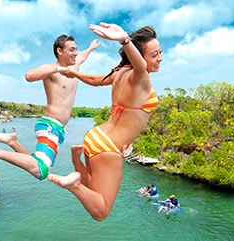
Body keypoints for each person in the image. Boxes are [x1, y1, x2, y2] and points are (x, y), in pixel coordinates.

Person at [48, 22, 163, 221]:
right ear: (139, 56)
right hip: (109, 147)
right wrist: (124, 39)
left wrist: (75, 73)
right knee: (101, 212)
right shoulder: (139, 76)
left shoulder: (120, 72)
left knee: (94, 191)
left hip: (96, 136)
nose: (160, 58)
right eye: (154, 55)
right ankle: (74, 185)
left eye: (160, 52)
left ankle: (77, 163)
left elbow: (94, 79)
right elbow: (141, 67)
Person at [0, 35, 101, 181]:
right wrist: (57, 69)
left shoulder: (75, 67)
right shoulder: (51, 69)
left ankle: (12, 141)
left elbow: (82, 56)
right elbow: (29, 76)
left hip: (58, 128)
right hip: (50, 125)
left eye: (76, 49)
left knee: (37, 161)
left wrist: (91, 47)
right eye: (72, 49)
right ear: (60, 51)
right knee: (41, 170)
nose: (75, 53)